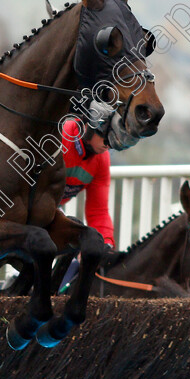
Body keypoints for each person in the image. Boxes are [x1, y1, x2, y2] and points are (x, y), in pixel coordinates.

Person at [56, 117, 116, 292]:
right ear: (86, 127)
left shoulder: (102, 158)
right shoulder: (62, 138)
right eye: (104, 134)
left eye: (113, 135)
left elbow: (98, 211)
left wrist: (105, 245)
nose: (108, 143)